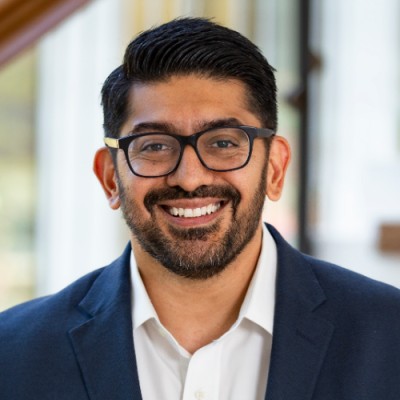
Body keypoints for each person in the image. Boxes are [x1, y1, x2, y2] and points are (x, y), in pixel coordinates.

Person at [1, 17, 400, 400]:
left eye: (224, 142)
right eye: (155, 146)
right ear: (110, 178)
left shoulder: (390, 335)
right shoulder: (12, 354)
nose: (189, 178)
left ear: (275, 169)